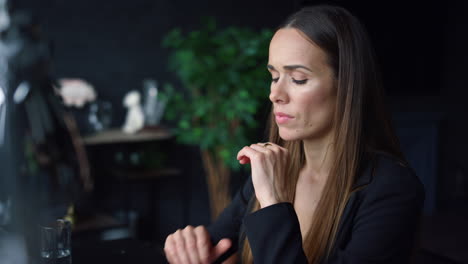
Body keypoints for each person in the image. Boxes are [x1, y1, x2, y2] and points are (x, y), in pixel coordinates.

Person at [164, 5, 424, 264]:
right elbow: (215, 244)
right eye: (274, 76)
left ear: (347, 86)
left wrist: (274, 202)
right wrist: (186, 247)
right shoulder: (276, 165)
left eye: (298, 79)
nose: (275, 94)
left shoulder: (392, 189)